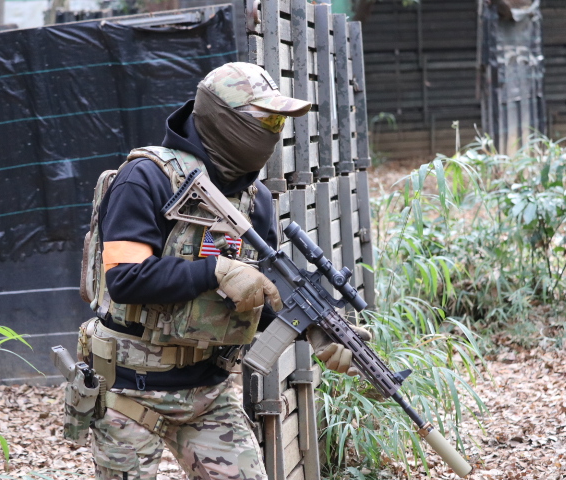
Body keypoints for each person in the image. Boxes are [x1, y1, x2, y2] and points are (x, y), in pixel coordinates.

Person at [84, 61, 370, 480]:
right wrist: (215, 271)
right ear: (223, 118)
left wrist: (316, 331)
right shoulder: (145, 177)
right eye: (266, 119)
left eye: (279, 122)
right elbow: (125, 279)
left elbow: (259, 298)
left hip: (207, 394)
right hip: (130, 390)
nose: (274, 131)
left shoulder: (256, 201)